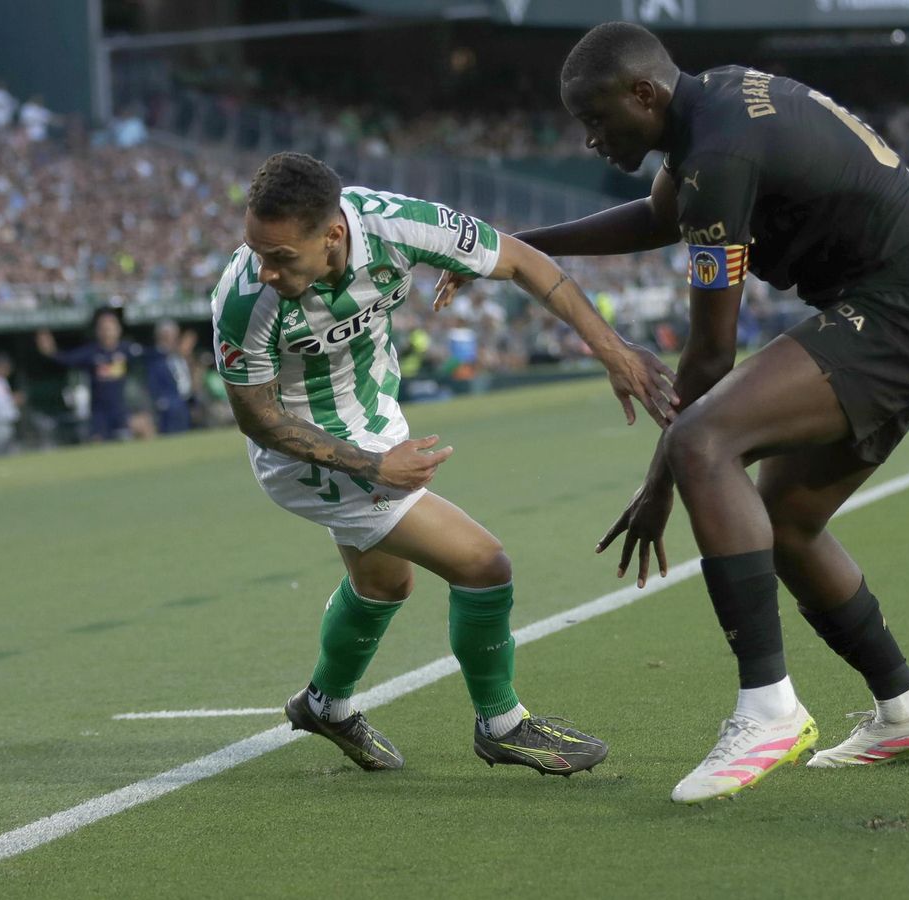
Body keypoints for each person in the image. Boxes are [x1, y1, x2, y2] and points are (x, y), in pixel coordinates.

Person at [440, 23, 909, 802]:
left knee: (703, 441)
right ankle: (907, 709)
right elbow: (660, 218)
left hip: (906, 308)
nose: (592, 141)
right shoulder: (712, 105)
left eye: (598, 121)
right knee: (787, 521)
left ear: (643, 94)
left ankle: (769, 709)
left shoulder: (720, 155)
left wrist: (663, 484)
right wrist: (515, 248)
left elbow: (707, 359)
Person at [213, 152, 676, 775]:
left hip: (376, 419)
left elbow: (522, 261)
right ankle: (502, 724)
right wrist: (374, 466)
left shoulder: (398, 225)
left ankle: (325, 705)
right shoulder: (244, 298)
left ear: (333, 235)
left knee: (384, 584)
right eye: (258, 252)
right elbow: (259, 420)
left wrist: (613, 351)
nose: (264, 270)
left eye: (281, 258)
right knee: (484, 563)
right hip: (307, 452)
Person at [37, 307, 144, 442]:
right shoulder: (91, 352)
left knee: (139, 431)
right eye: (103, 327)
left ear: (118, 328)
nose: (107, 331)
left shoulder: (127, 349)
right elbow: (67, 359)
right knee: (97, 445)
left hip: (122, 410)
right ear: (97, 330)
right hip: (99, 414)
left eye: (110, 326)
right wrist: (51, 352)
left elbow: (149, 355)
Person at [146, 320, 195, 435]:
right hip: (167, 407)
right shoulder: (154, 358)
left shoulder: (179, 357)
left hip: (184, 404)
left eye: (175, 336)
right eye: (168, 336)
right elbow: (152, 384)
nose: (173, 340)